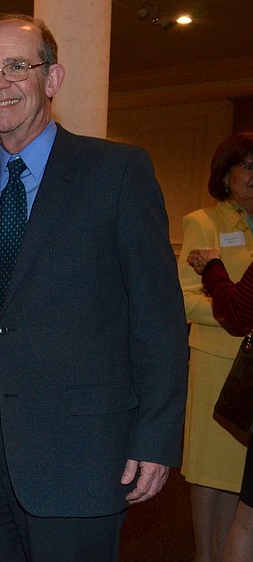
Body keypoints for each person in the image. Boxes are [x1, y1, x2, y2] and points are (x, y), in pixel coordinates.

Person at [0, 13, 188, 561]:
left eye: (16, 67)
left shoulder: (117, 172)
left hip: (82, 459)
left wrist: (156, 437)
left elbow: (159, 317)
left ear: (52, 80)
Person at [178, 132, 253, 562]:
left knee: (242, 479)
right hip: (216, 364)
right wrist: (234, 312)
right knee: (210, 474)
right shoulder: (203, 223)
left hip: (251, 370)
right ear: (225, 175)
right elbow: (186, 297)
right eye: (247, 166)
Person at [188, 245, 253, 562]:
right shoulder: (200, 222)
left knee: (247, 523)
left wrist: (213, 266)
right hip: (215, 368)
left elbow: (238, 310)